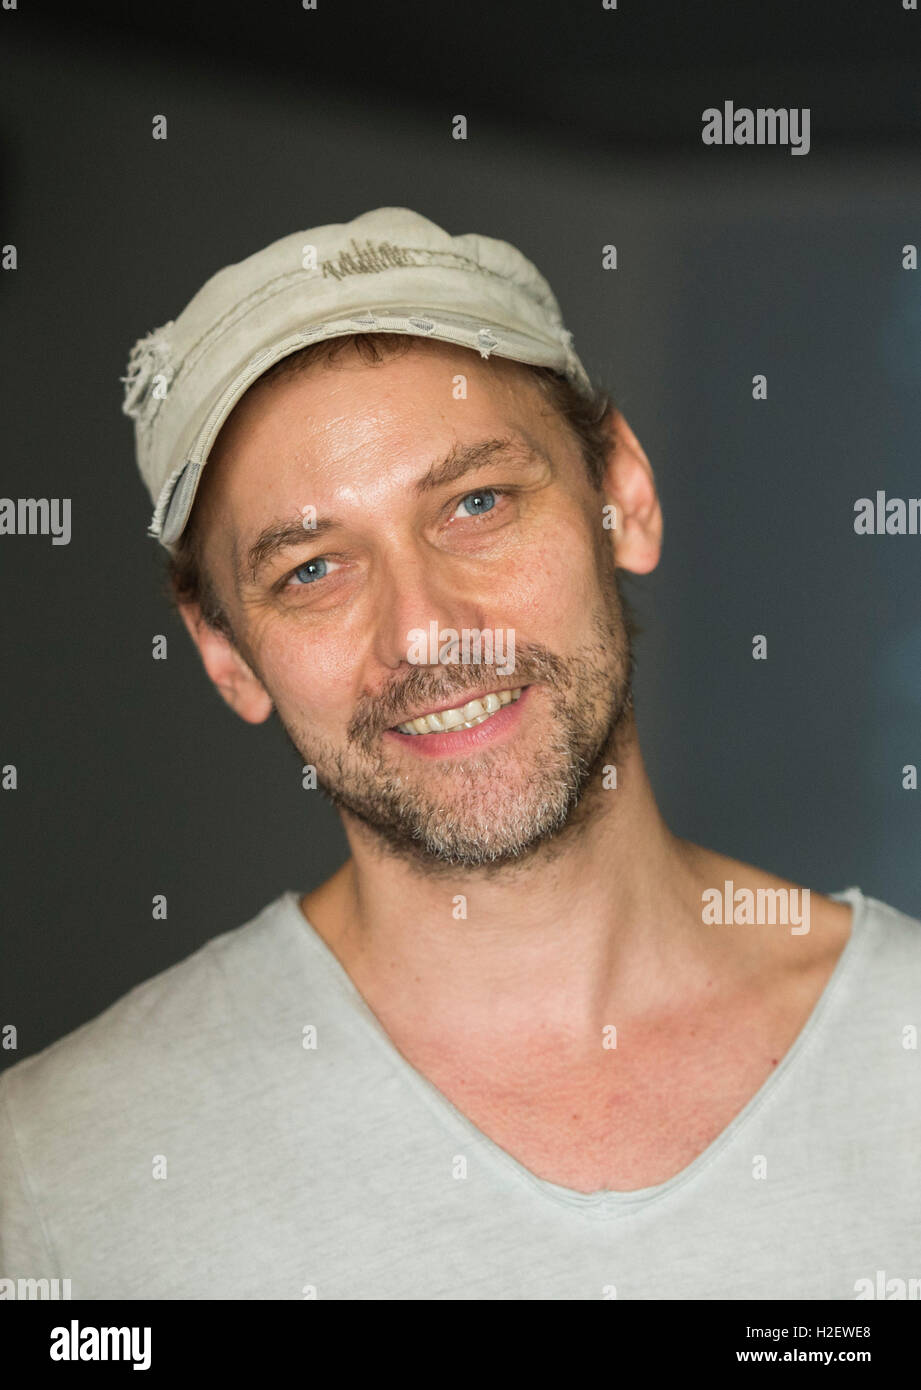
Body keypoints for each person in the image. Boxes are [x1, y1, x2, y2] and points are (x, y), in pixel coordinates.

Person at [1, 208, 919, 1300]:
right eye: (311, 570)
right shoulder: (51, 1175)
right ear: (227, 656)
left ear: (621, 493)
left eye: (476, 503)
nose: (426, 630)